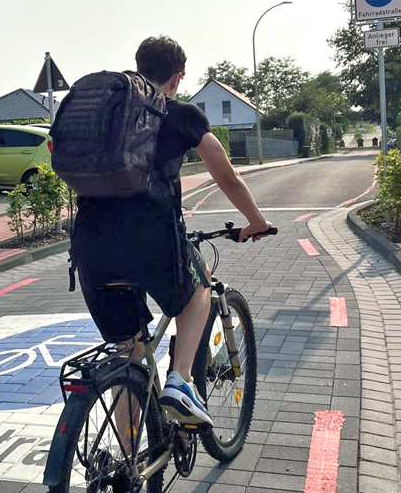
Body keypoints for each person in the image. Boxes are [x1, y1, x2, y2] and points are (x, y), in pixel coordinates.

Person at [72, 36, 271, 425]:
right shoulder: (179, 113)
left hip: (90, 246)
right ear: (177, 77)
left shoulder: (107, 115)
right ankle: (180, 381)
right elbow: (225, 174)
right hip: (151, 241)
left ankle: (123, 469)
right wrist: (256, 221)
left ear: (138, 66)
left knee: (129, 353)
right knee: (199, 291)